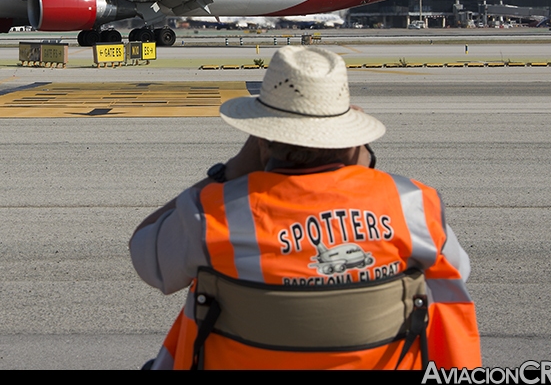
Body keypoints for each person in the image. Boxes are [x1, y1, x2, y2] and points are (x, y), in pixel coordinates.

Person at [130, 46, 481, 370]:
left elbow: (147, 258)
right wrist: (365, 170)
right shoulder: (412, 205)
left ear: (262, 140)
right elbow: (457, 274)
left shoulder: (211, 215)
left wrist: (233, 169)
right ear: (351, 139)